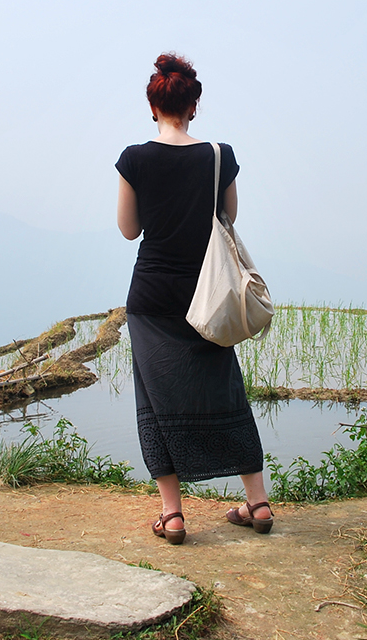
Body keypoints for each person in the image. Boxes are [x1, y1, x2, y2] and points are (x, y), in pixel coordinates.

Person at [115, 53, 273, 545]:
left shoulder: (135, 158)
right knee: (225, 391)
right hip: (210, 297)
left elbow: (128, 230)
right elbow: (229, 216)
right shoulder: (219, 156)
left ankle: (174, 515)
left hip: (153, 297)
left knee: (156, 401)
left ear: (152, 105)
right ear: (194, 105)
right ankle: (259, 503)